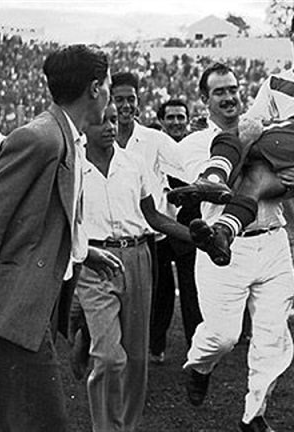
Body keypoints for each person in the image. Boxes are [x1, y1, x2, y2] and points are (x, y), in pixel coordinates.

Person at [0, 44, 115, 432]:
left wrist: (83, 251)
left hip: (32, 306)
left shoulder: (65, 136)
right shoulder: (40, 139)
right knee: (43, 421)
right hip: (13, 308)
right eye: (106, 84)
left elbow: (39, 219)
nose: (107, 92)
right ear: (94, 88)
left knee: (25, 418)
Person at [170, 6, 294, 267]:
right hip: (286, 151)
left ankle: (213, 178)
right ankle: (223, 233)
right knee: (254, 182)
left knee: (233, 138)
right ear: (291, 35)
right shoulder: (274, 81)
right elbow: (251, 120)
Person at [179, 62, 294, 432]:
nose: (230, 97)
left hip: (271, 239)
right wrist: (245, 141)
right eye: (219, 91)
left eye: (233, 89)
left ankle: (254, 414)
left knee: (271, 335)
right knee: (222, 336)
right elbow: (218, 188)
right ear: (204, 100)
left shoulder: (267, 133)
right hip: (224, 249)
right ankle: (200, 366)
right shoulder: (194, 144)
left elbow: (289, 182)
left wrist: (292, 181)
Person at [76, 102, 191, 431]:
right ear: (84, 126)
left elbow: (153, 216)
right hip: (94, 262)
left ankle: (125, 427)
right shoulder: (74, 167)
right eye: (102, 121)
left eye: (113, 120)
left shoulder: (134, 162)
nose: (111, 126)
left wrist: (197, 238)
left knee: (136, 359)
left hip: (138, 256)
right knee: (110, 358)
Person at [110, 72, 188, 364]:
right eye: (119, 99)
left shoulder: (154, 140)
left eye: (131, 99)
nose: (125, 106)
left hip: (147, 237)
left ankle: (147, 352)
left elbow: (186, 165)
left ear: (139, 102)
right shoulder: (96, 139)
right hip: (107, 239)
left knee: (149, 302)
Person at [147, 98, 200, 363]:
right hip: (158, 228)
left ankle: (196, 349)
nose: (176, 122)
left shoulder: (194, 147)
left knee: (192, 292)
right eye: (171, 118)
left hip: (188, 229)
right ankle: (156, 347)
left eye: (181, 117)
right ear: (161, 121)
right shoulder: (152, 146)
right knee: (161, 292)